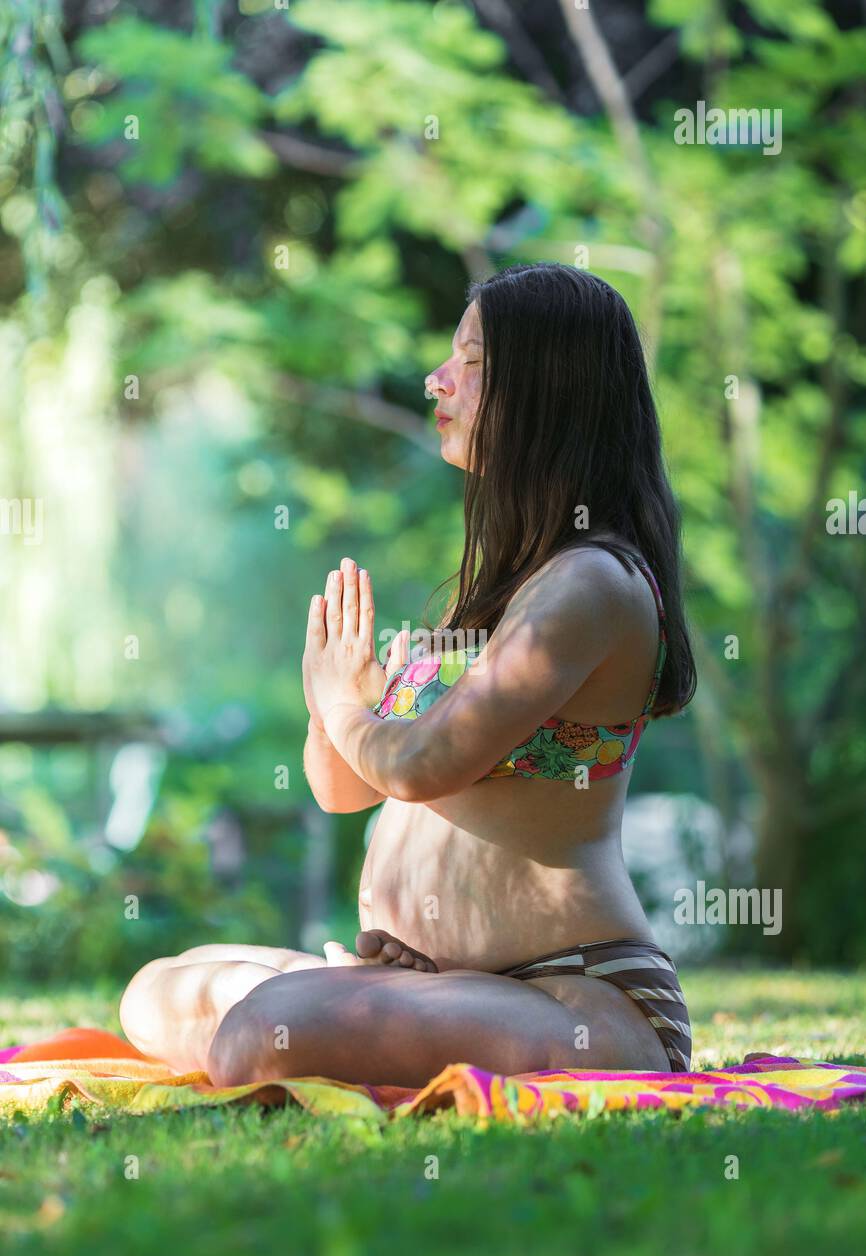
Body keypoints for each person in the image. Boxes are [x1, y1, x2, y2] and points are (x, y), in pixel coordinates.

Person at [120, 263, 697, 1089]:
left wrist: (341, 705)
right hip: (451, 987)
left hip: (573, 997)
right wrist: (339, 707)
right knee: (156, 993)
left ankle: (358, 1011)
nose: (438, 379)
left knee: (260, 1033)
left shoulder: (592, 583)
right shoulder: (502, 593)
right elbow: (347, 790)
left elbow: (422, 765)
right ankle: (377, 1004)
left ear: (547, 390)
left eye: (471, 362)